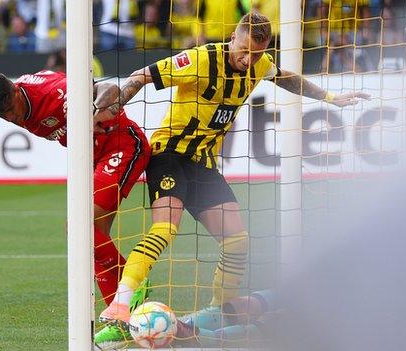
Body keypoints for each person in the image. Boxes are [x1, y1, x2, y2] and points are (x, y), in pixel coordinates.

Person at [94, 11, 370, 347]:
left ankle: (217, 310)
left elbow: (285, 77)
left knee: (237, 240)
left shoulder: (259, 64)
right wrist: (116, 103)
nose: (249, 59)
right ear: (233, 39)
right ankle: (120, 306)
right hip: (168, 155)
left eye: (256, 53)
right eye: (244, 50)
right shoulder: (199, 59)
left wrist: (330, 98)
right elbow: (141, 75)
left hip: (204, 163)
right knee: (165, 228)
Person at [0, 70, 152, 306]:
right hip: (95, 160)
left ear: (16, 91)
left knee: (79, 226)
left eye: (10, 109)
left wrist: (94, 112)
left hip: (122, 146)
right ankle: (119, 315)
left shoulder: (54, 93)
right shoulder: (15, 104)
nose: (10, 118)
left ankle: (131, 283)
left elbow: (109, 88)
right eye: (2, 115)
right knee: (93, 244)